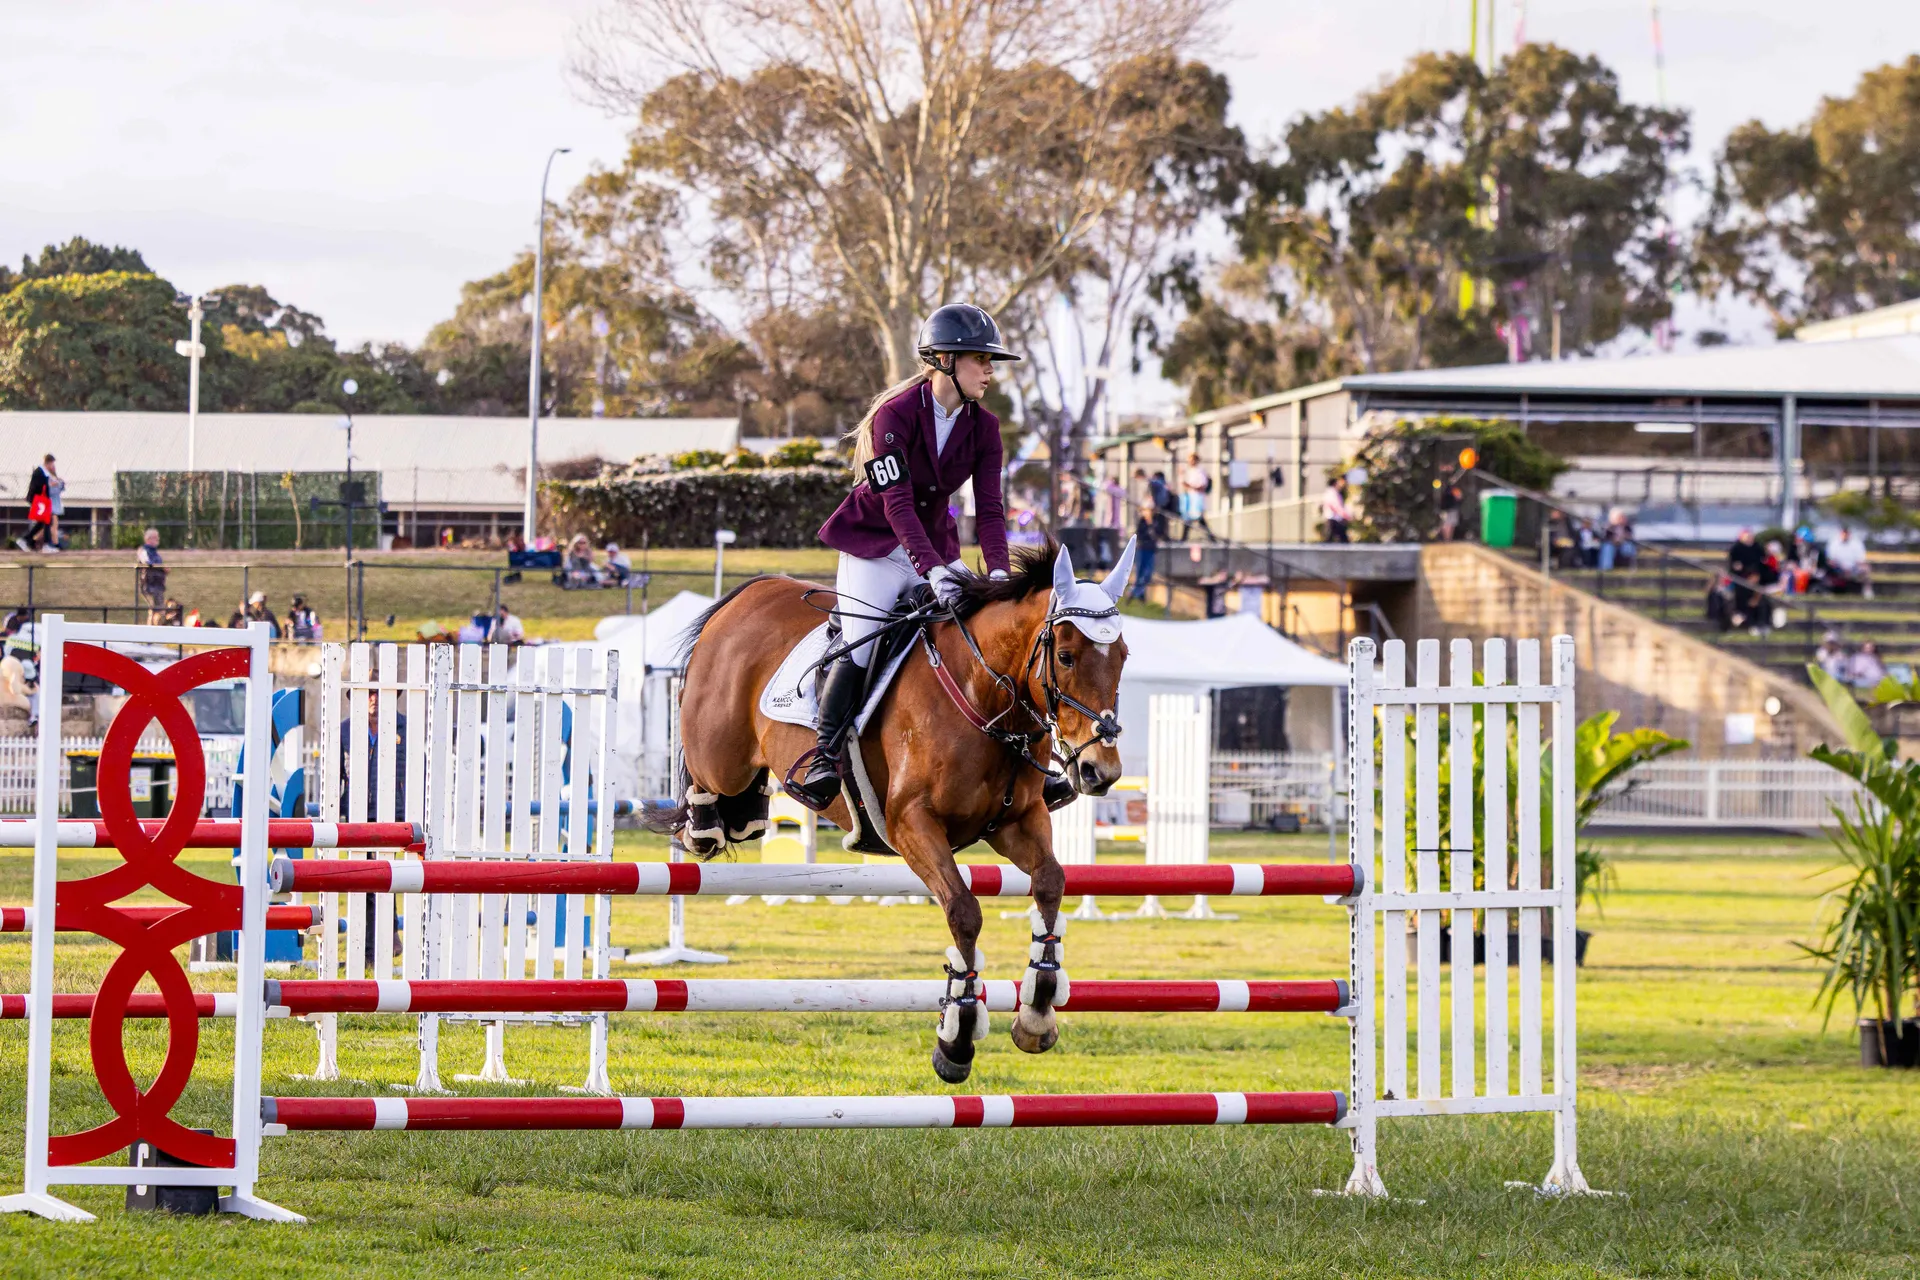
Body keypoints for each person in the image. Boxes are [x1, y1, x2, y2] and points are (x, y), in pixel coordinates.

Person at [792, 302, 1017, 810]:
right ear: (943, 360)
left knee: (986, 631)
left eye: (989, 361)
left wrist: (999, 572)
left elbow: (991, 509)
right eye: (980, 359)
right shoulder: (894, 416)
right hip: (875, 546)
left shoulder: (985, 428)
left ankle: (1020, 758)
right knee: (861, 643)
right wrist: (931, 569)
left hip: (936, 545)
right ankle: (824, 754)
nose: (989, 371)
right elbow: (896, 503)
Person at [16, 454, 58, 553]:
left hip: (41, 500)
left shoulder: (43, 473)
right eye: (52, 464)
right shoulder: (39, 472)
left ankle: (26, 540)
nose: (53, 466)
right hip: (39, 500)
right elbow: (37, 487)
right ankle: (46, 545)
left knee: (44, 521)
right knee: (47, 520)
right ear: (48, 463)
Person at [1725, 529, 1767, 626]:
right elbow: (1733, 563)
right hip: (1740, 578)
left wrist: (1756, 575)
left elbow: (1762, 561)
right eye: (1747, 537)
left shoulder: (1757, 547)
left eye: (1750, 537)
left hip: (1755, 576)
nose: (1749, 539)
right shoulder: (1737, 548)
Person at [1179, 451, 1217, 541]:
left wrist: (1190, 486)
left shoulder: (1200, 471)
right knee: (1189, 518)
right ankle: (1184, 537)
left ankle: (1210, 536)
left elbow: (1202, 486)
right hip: (1191, 499)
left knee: (1198, 518)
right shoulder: (1190, 471)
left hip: (1197, 498)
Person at [1825, 527, 1871, 597]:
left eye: (1846, 533)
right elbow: (1830, 560)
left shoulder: (1857, 544)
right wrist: (1841, 568)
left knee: (1865, 568)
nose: (1845, 535)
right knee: (1827, 568)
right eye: (1843, 533)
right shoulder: (1834, 544)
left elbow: (1861, 560)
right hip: (1838, 569)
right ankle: (1828, 590)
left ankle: (1867, 591)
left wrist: (1850, 569)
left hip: (1853, 569)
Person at [135, 528, 167, 624]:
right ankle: (150, 630)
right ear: (148, 539)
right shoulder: (143, 551)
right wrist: (162, 568)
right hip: (149, 585)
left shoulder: (155, 552)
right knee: (153, 608)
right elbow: (147, 562)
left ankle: (158, 629)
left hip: (158, 585)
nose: (157, 540)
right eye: (155, 538)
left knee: (160, 609)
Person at [1128, 512, 1158, 601]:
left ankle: (1134, 592)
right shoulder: (1142, 521)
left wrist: (1151, 525)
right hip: (1142, 548)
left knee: (1148, 574)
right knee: (1140, 572)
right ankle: (1139, 593)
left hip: (1151, 549)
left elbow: (1159, 533)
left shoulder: (1156, 520)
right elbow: (1139, 534)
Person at [1321, 476, 1352, 543]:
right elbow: (1334, 506)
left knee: (1342, 539)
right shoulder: (1331, 492)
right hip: (1332, 519)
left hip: (1337, 519)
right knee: (1328, 539)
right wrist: (1345, 515)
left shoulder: (1337, 493)